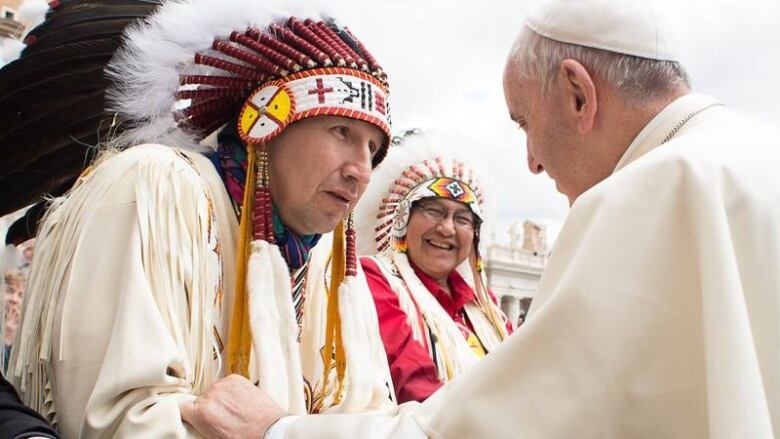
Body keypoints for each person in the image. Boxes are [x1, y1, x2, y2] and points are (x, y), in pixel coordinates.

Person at [186, 0, 780, 437]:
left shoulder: (649, 192)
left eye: (523, 122)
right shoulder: (751, 156)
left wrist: (279, 432)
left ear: (579, 94)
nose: (531, 160)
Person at [5, 0, 397, 436]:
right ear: (267, 123)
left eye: (373, 150)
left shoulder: (331, 264)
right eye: (342, 132)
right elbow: (118, 419)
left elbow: (371, 415)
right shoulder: (157, 186)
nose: (360, 170)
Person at [353, 131, 511, 403]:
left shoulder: (484, 304)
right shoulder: (374, 279)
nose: (447, 228)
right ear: (402, 218)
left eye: (462, 218)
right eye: (433, 211)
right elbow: (412, 382)